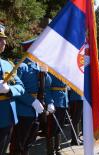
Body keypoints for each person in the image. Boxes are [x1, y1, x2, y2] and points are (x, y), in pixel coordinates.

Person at [9, 39, 55, 155]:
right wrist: (32, 101)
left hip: (36, 111)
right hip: (22, 111)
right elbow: (16, 89)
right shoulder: (22, 66)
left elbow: (46, 86)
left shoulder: (39, 66)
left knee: (29, 142)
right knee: (18, 144)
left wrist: (45, 73)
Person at [0, 24, 25, 154]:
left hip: (6, 117)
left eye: (3, 38)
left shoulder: (8, 65)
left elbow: (21, 87)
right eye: (0, 39)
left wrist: (8, 89)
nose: (4, 41)